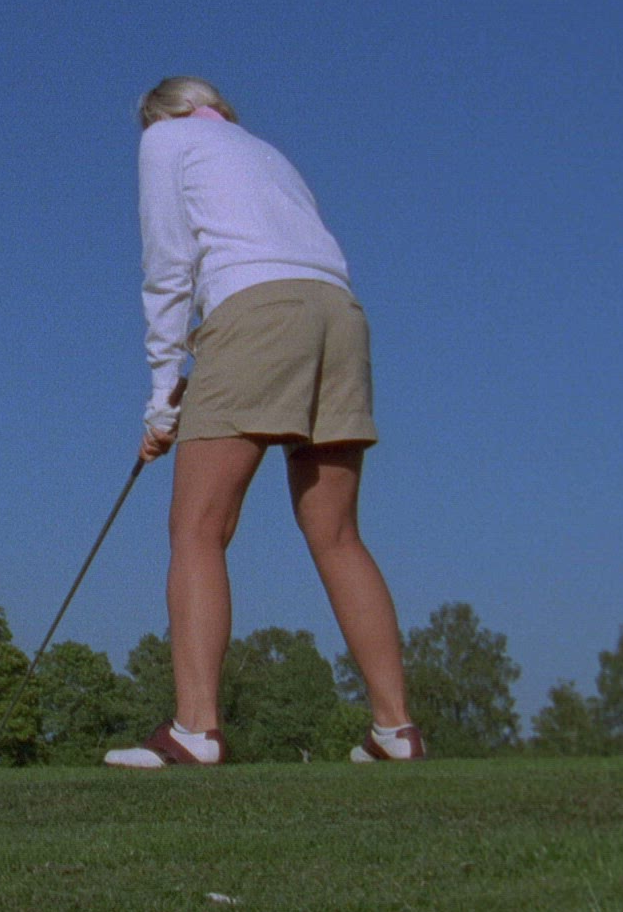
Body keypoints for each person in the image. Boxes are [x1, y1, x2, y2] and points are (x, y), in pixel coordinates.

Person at [105, 76, 423, 768]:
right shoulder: (263, 150)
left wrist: (160, 399)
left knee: (198, 528)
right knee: (336, 533)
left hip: (256, 316)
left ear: (161, 114)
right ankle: (395, 731)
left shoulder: (165, 138)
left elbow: (168, 268)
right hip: (340, 316)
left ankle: (196, 730)